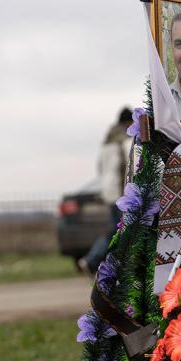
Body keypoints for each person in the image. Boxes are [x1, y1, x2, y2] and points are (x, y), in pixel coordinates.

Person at [78, 108, 132, 274]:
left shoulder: (107, 141)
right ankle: (93, 260)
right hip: (119, 193)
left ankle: (102, 263)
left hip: (109, 193)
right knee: (120, 230)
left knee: (117, 230)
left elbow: (101, 168)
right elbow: (128, 166)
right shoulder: (124, 140)